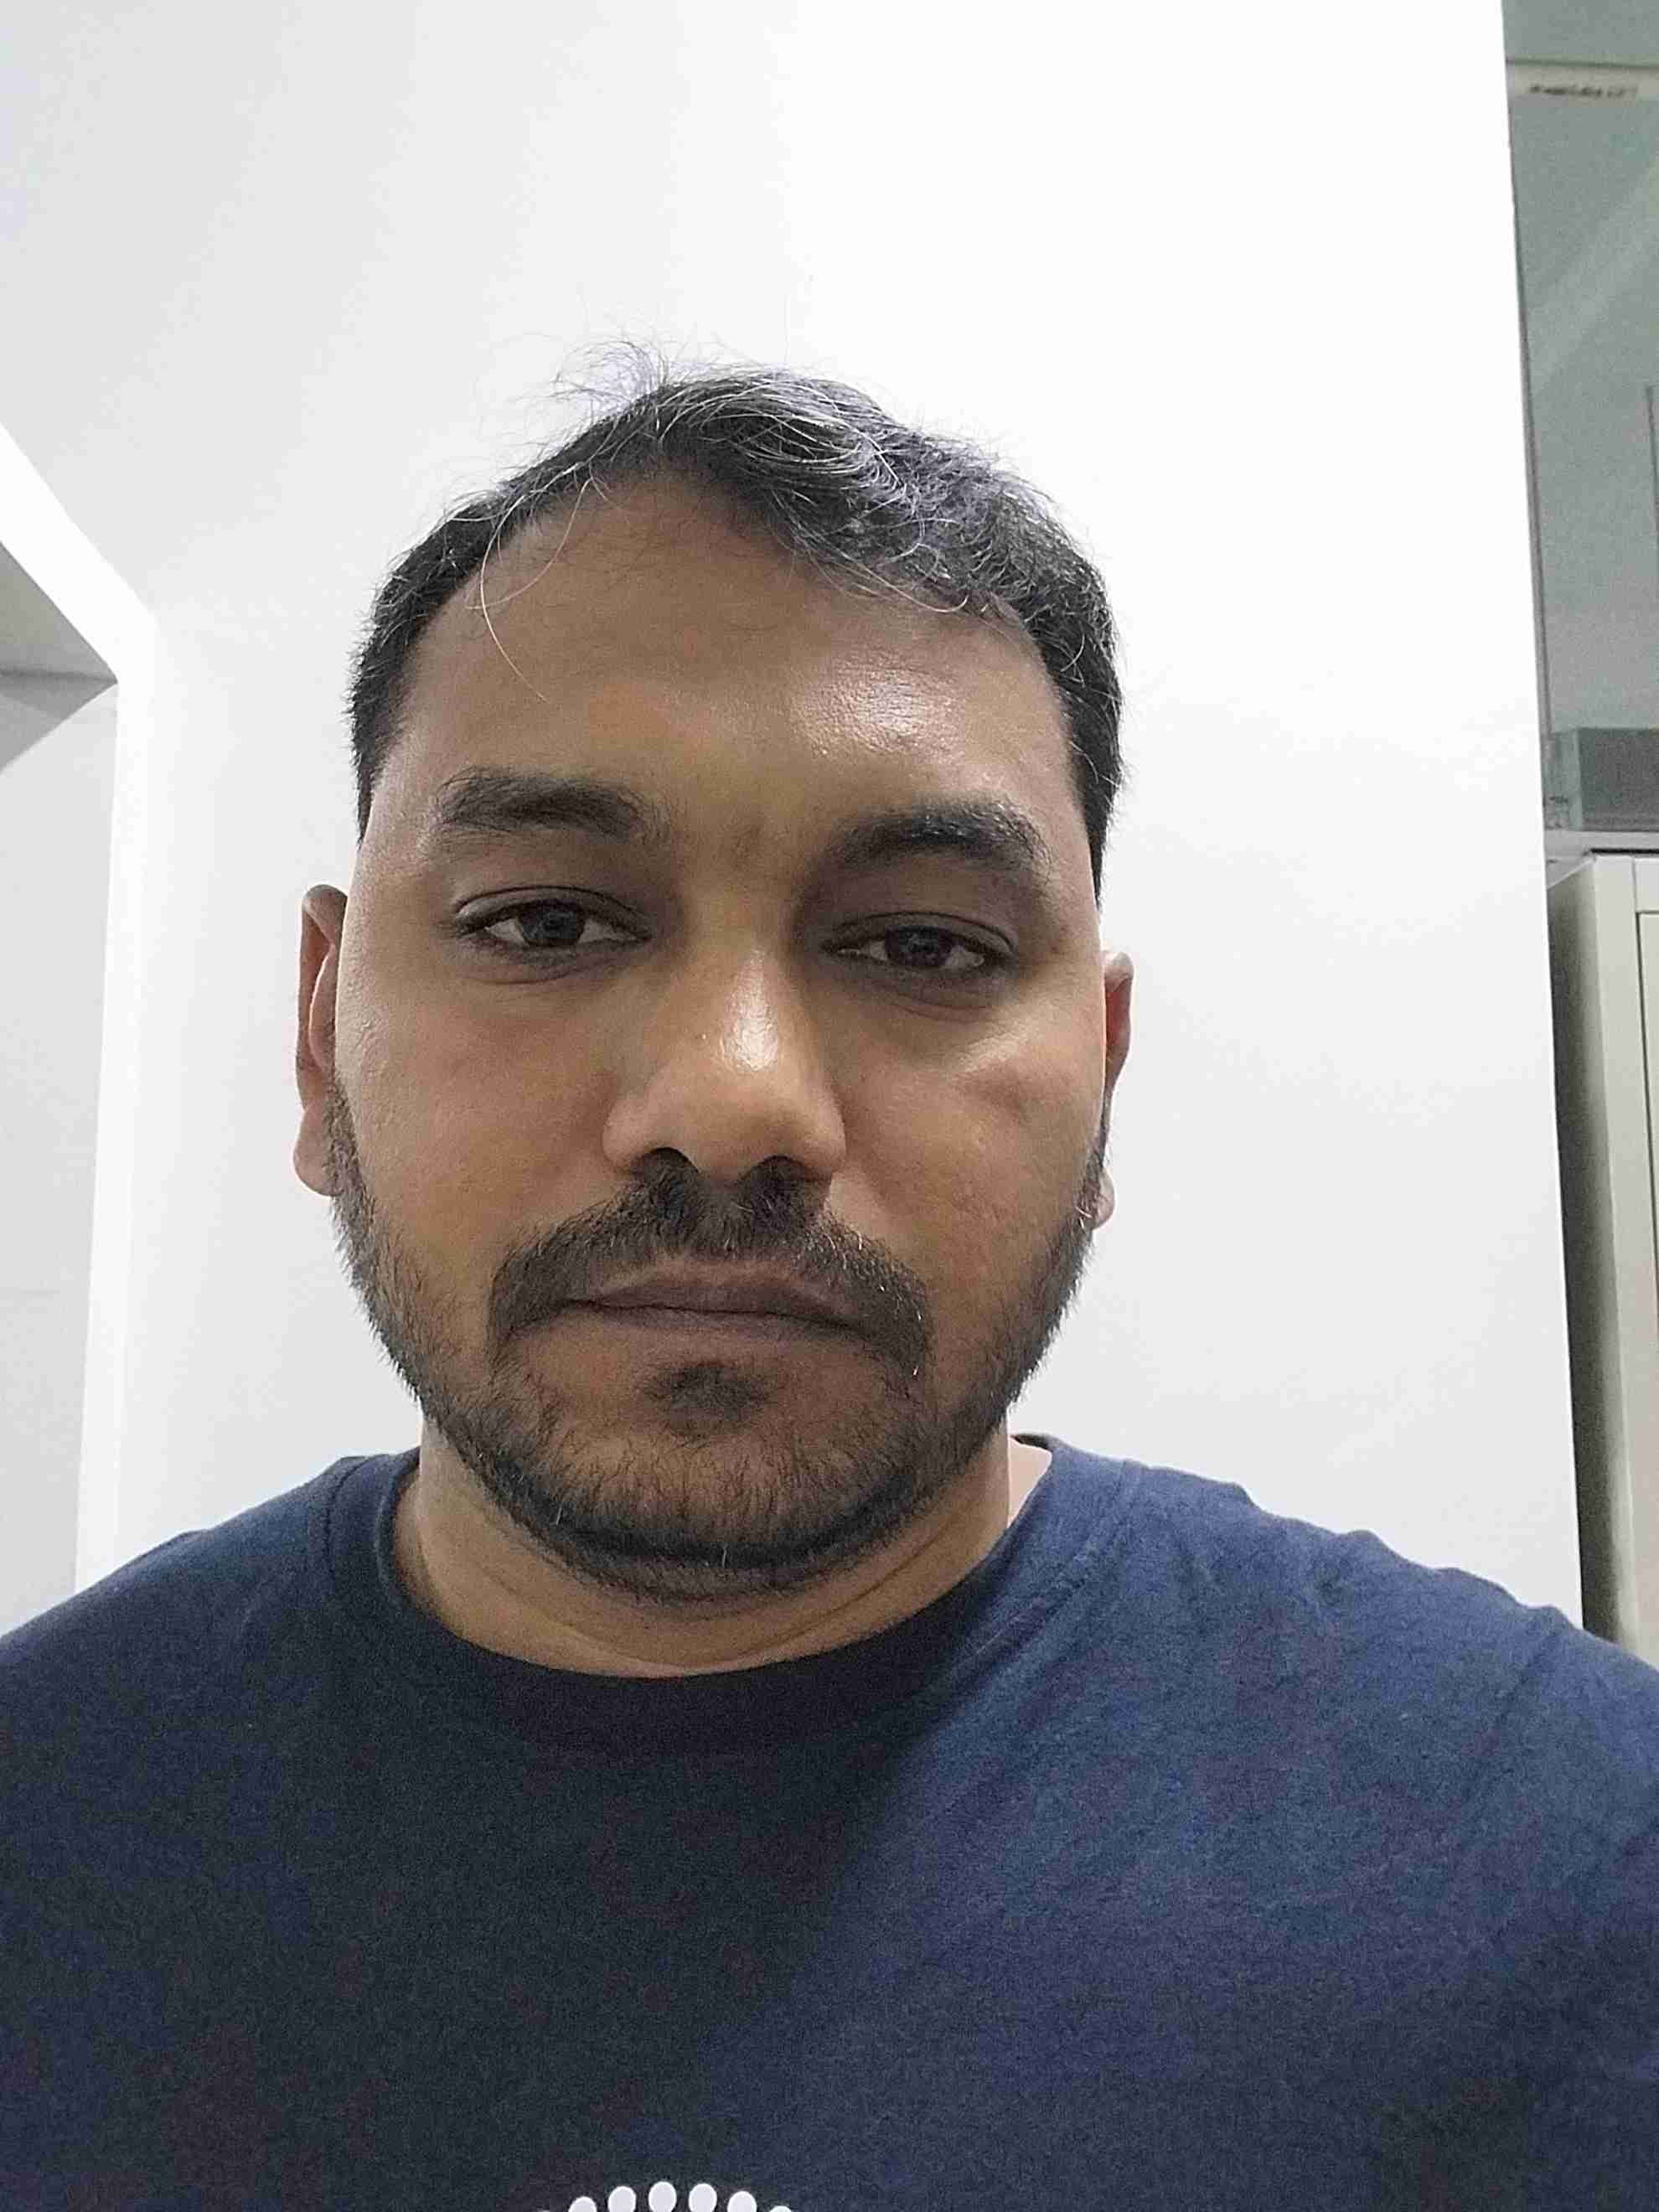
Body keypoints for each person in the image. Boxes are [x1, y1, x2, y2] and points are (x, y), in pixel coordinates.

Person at [3, 349, 1656, 2209]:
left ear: (1104, 1083)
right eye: (545, 920)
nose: (734, 1106)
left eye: (923, 946)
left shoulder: (1573, 1873)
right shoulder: (42, 1832)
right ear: (322, 1038)